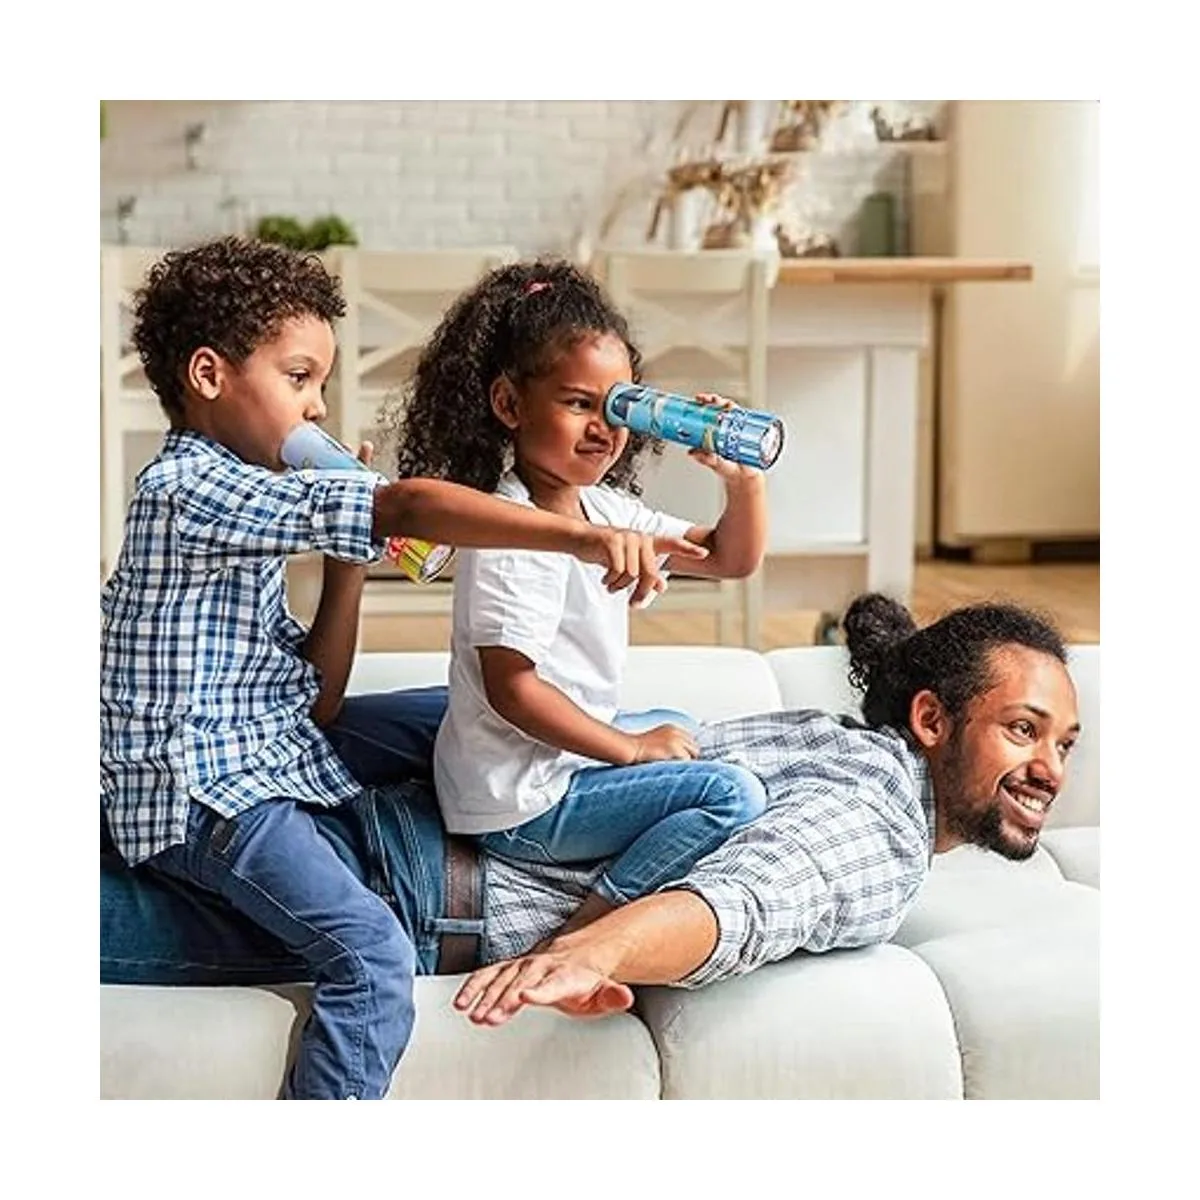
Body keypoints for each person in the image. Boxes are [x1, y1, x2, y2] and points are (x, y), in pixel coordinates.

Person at [99, 237, 702, 1100]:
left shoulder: (248, 491)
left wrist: (349, 559)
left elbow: (320, 697)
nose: (316, 407)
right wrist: (577, 535)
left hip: (262, 737)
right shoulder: (188, 490)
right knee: (373, 955)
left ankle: (582, 776)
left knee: (463, 715)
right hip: (202, 788)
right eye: (299, 378)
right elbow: (411, 504)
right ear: (208, 376)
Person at [101, 592, 1082, 1039]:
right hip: (397, 883)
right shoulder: (881, 828)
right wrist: (589, 951)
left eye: (1065, 744)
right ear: (931, 719)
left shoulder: (828, 740)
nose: (1048, 769)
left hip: (394, 818)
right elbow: (754, 896)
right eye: (1023, 731)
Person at [391, 259, 770, 938]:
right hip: (521, 805)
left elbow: (728, 558)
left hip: (552, 764)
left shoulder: (604, 508)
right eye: (577, 404)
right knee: (729, 794)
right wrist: (628, 751)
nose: (603, 428)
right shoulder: (512, 529)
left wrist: (742, 482)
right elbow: (512, 691)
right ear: (510, 405)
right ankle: (583, 933)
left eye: (617, 407)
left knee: (680, 724)